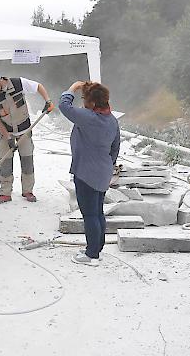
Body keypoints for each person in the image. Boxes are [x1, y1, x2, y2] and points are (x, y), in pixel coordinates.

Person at [58, 80, 120, 266]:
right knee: (98, 212)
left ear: (92, 103)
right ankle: (97, 248)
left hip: (86, 171)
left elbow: (63, 105)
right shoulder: (111, 119)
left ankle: (92, 254)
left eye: (85, 98)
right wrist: (109, 166)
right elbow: (115, 148)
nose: (83, 101)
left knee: (90, 214)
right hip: (103, 171)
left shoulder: (89, 117)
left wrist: (73, 87)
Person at [0, 71, 55, 204]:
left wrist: (48, 100)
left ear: (0, 81)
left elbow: (38, 86)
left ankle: (27, 191)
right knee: (5, 163)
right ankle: (5, 193)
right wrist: (8, 137)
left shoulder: (18, 83)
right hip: (6, 132)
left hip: (24, 130)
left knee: (27, 160)